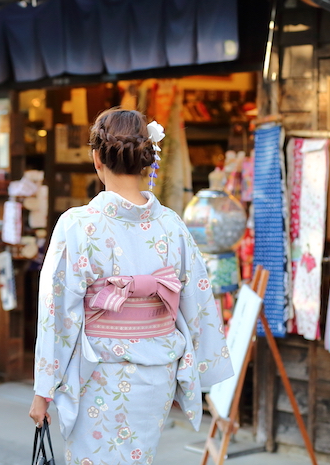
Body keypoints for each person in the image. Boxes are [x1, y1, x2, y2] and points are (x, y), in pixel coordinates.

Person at [29, 108, 233, 465]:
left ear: (96, 159)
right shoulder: (172, 225)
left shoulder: (78, 225)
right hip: (156, 375)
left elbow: (56, 312)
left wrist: (44, 391)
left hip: (99, 374)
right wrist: (200, 367)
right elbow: (198, 299)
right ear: (147, 159)